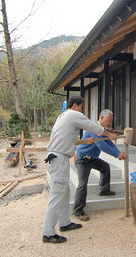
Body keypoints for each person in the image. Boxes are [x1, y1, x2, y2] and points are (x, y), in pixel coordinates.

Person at [41, 96, 117, 244]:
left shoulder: (62, 117)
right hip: (59, 159)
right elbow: (94, 127)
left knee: (65, 192)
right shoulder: (73, 114)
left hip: (57, 157)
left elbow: (70, 140)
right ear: (75, 105)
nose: (82, 110)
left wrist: (84, 141)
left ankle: (64, 223)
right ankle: (48, 233)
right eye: (82, 107)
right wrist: (110, 134)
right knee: (57, 195)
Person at [73, 109, 126, 221]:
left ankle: (104, 189)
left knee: (105, 167)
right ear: (101, 118)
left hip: (93, 159)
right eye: (109, 120)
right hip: (82, 159)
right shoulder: (93, 128)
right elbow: (102, 146)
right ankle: (78, 210)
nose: (110, 123)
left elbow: (109, 143)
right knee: (82, 184)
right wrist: (117, 155)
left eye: (111, 120)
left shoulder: (103, 131)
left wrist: (119, 153)